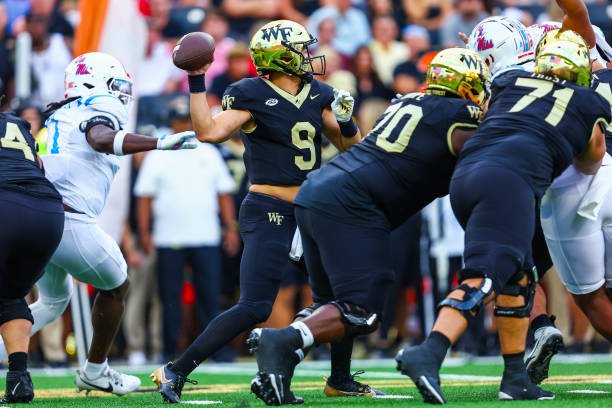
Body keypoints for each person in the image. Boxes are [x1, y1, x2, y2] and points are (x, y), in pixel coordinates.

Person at [246, 47, 490, 406]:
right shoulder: (460, 114)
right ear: (466, 85)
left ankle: (304, 373)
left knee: (332, 302)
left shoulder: (411, 102)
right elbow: (485, 153)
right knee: (364, 311)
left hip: (320, 189)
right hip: (355, 203)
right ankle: (281, 341)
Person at [151, 19, 363, 404]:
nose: (308, 56)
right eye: (300, 49)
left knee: (341, 296)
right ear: (280, 57)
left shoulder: (319, 93)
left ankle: (341, 378)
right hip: (269, 208)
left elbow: (351, 148)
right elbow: (209, 133)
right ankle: (174, 370)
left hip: (311, 210)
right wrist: (197, 80)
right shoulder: (249, 93)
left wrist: (347, 120)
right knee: (255, 305)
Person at [397, 34, 610, 404]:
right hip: (509, 182)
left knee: (519, 278)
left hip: (465, 177)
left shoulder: (507, 82)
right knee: (487, 276)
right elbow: (592, 161)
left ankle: (514, 378)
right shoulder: (587, 99)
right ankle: (430, 350)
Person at [0, 52, 198, 395]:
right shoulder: (97, 105)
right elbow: (101, 138)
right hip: (69, 219)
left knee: (52, 301)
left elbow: (49, 162)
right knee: (117, 284)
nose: (123, 92)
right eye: (118, 83)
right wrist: (159, 142)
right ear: (96, 81)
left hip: (44, 216)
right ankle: (96, 369)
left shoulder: (64, 112)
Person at [135, 96, 239, 361]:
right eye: (178, 120)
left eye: (186, 120)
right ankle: (170, 350)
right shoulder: (159, 153)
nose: (182, 125)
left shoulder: (208, 151)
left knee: (210, 297)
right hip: (169, 238)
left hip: (206, 236)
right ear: (171, 123)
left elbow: (224, 193)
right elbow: (144, 197)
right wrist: (146, 233)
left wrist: (229, 228)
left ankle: (215, 349)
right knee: (169, 299)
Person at [0, 112, 64, 403]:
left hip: (6, 202)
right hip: (48, 211)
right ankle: (18, 378)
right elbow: (37, 165)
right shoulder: (19, 125)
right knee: (10, 294)